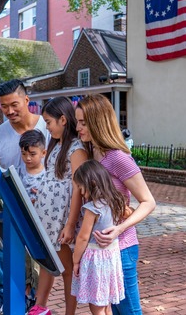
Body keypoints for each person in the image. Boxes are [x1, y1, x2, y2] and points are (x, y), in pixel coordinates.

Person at [75, 94, 156, 315]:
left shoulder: (118, 158)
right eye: (77, 122)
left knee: (128, 311)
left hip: (122, 247)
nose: (78, 128)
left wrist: (119, 229)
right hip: (101, 251)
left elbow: (148, 202)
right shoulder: (92, 154)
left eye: (83, 122)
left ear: (97, 122)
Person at [0, 79, 50, 315]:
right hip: (7, 205)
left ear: (27, 101)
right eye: (4, 106)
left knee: (38, 257)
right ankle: (2, 290)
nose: (9, 111)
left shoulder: (48, 128)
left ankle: (33, 298)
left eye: (14, 104)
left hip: (42, 204)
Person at [29, 96, 87, 315]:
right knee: (48, 262)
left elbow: (77, 190)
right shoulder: (57, 145)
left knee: (67, 270)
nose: (46, 126)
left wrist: (70, 225)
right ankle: (40, 306)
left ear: (63, 120)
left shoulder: (76, 149)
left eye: (49, 121)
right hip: (49, 218)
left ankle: (69, 313)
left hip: (61, 220)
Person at [71, 159, 126, 315]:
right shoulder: (116, 202)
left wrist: (76, 261)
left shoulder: (92, 209)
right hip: (111, 257)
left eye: (82, 187)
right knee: (106, 304)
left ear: (92, 183)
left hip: (96, 260)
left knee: (96, 305)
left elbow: (82, 237)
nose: (81, 192)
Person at [18, 129, 47, 310]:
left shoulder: (47, 176)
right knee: (23, 262)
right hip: (22, 226)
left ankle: (37, 299)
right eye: (24, 154)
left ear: (43, 153)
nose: (28, 158)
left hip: (39, 228)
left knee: (37, 264)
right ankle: (25, 292)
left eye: (32, 154)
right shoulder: (19, 172)